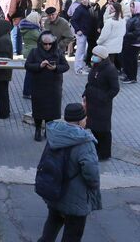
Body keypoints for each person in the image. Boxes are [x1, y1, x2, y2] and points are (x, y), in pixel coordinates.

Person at [37, 103, 102, 242]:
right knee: (73, 235)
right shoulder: (84, 142)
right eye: (85, 118)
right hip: (75, 198)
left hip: (55, 191)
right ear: (80, 120)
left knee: (52, 224)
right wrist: (94, 186)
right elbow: (91, 172)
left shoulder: (55, 134)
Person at [25, 31, 69, 142]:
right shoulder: (34, 52)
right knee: (38, 110)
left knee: (51, 110)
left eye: (50, 44)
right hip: (38, 85)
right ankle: (38, 129)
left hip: (53, 86)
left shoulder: (58, 52)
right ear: (41, 43)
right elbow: (28, 65)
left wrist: (55, 68)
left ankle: (48, 130)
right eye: (45, 44)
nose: (47, 46)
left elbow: (66, 66)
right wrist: (39, 66)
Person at [82, 46, 120, 160]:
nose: (93, 57)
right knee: (94, 127)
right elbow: (90, 83)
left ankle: (105, 153)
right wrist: (85, 93)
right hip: (92, 102)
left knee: (103, 129)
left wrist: (104, 98)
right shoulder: (96, 67)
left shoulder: (110, 69)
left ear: (102, 57)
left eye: (95, 55)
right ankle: (96, 149)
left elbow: (115, 89)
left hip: (102, 104)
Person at [120, 1, 140, 84]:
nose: (130, 8)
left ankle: (132, 77)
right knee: (128, 60)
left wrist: (126, 34)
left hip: (133, 43)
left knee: (131, 61)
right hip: (130, 42)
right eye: (130, 6)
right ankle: (129, 76)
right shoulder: (134, 17)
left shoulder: (137, 19)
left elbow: (138, 32)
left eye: (132, 7)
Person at [20, 11, 42, 99]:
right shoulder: (32, 30)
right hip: (32, 53)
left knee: (30, 72)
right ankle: (27, 92)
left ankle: (27, 91)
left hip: (28, 51)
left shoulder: (27, 27)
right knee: (31, 73)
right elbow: (41, 38)